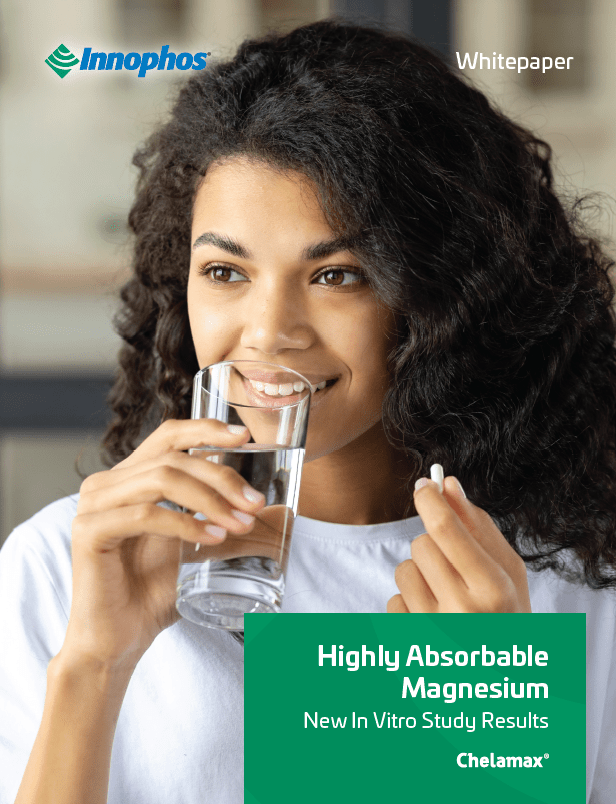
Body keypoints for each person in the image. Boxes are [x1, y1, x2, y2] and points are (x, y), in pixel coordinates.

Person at [1, 18, 615, 804]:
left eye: (337, 276)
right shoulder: (70, 563)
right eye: (225, 271)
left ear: (444, 296)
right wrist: (94, 660)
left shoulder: (569, 584)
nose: (268, 332)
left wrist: (489, 726)